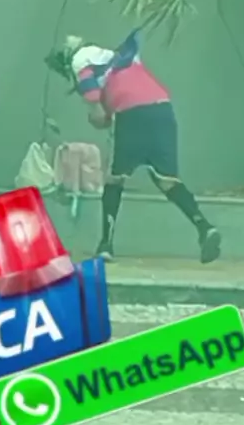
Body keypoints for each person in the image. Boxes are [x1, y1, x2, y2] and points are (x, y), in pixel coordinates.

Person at [45, 31, 221, 263]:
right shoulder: (115, 58)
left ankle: (106, 244)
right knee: (167, 180)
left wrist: (95, 112)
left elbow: (95, 104)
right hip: (162, 109)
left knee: (114, 179)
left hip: (131, 114)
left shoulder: (80, 59)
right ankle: (204, 227)